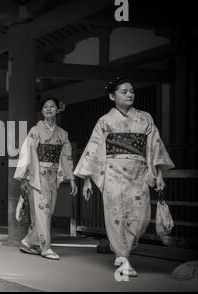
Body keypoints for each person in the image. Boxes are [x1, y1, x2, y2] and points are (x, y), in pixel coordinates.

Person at [74, 76, 174, 276]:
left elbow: (154, 146)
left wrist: (159, 174)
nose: (130, 94)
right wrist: (86, 179)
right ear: (112, 96)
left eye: (132, 91)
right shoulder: (105, 121)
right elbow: (94, 148)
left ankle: (125, 251)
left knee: (142, 218)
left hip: (139, 174)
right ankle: (123, 258)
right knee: (116, 216)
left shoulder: (145, 118)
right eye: (124, 91)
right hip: (112, 174)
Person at [14, 97, 77, 260]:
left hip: (53, 175)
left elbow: (66, 157)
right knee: (43, 211)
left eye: (52, 106)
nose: (49, 109)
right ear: (42, 111)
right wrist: (24, 178)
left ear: (58, 110)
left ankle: (28, 241)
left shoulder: (63, 134)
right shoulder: (35, 131)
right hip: (38, 175)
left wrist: (71, 179)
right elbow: (27, 154)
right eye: (45, 107)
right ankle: (45, 247)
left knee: (46, 212)